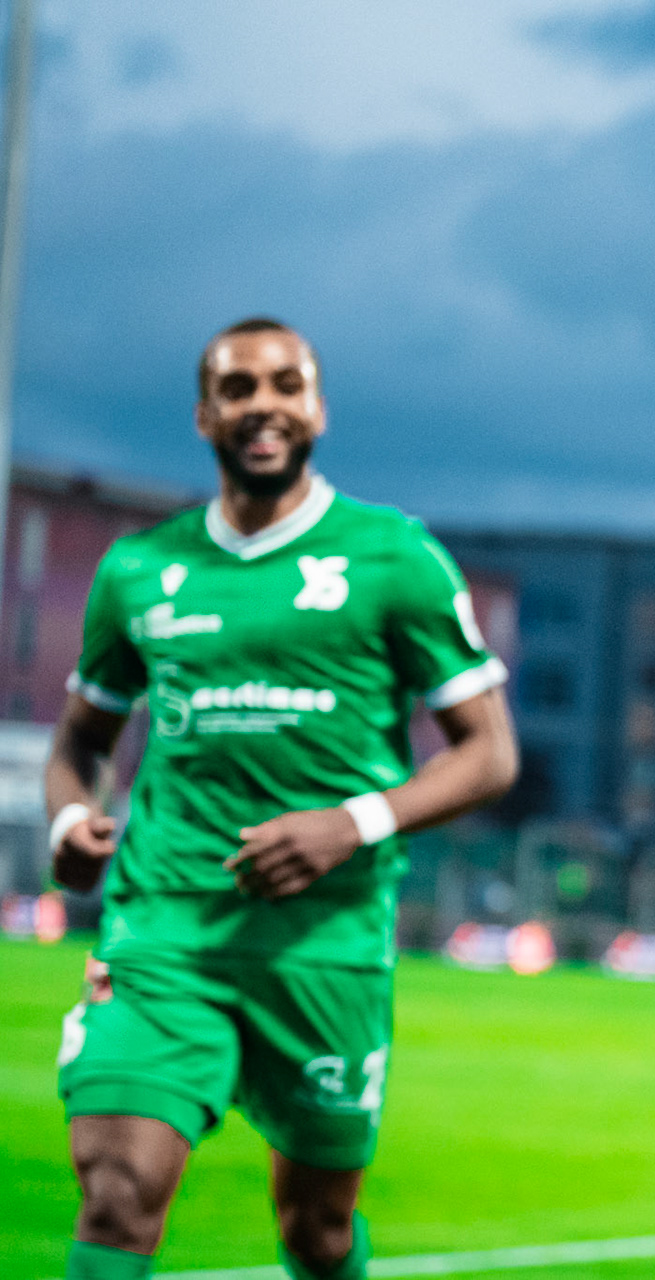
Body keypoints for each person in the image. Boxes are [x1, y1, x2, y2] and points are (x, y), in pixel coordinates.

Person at [47, 318, 519, 1280]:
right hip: (164, 931)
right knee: (116, 1198)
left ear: (316, 408)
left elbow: (489, 756)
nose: (263, 404)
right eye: (238, 387)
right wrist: (67, 817)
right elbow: (77, 746)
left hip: (325, 948)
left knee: (316, 1232)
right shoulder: (139, 570)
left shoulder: (394, 558)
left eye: (285, 384)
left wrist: (355, 823)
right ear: (204, 415)